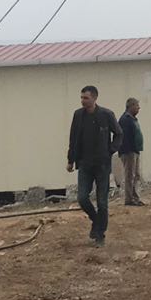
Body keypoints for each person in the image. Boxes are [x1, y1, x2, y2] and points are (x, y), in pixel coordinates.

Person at [67, 85, 120, 245]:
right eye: (82, 97)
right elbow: (73, 138)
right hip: (84, 164)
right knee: (82, 198)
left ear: (94, 98)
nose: (83, 101)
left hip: (102, 165)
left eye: (86, 98)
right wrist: (71, 160)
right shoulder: (78, 115)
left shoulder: (106, 115)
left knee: (102, 202)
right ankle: (96, 220)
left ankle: (99, 234)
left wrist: (110, 150)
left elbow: (118, 134)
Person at [117, 98, 146, 207]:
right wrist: (128, 150)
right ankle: (129, 198)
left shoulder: (132, 119)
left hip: (135, 151)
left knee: (136, 175)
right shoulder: (125, 120)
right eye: (137, 106)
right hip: (128, 151)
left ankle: (135, 196)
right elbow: (124, 138)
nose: (139, 108)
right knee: (130, 175)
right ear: (131, 106)